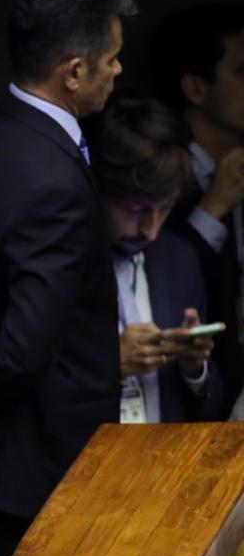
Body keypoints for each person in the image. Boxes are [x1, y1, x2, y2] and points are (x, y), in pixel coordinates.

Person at [0, 0, 136, 556]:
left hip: (3, 463)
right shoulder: (56, 181)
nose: (118, 71)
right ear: (73, 71)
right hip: (41, 470)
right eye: (111, 60)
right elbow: (23, 348)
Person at [87, 95, 222, 424]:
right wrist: (109, 363)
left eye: (165, 208)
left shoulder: (178, 259)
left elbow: (210, 410)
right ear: (99, 193)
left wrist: (195, 368)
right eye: (136, 211)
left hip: (160, 465)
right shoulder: (62, 262)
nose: (151, 230)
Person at [151, 4, 244, 419]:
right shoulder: (157, 173)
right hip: (189, 403)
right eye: (242, 73)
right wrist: (214, 207)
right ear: (195, 88)